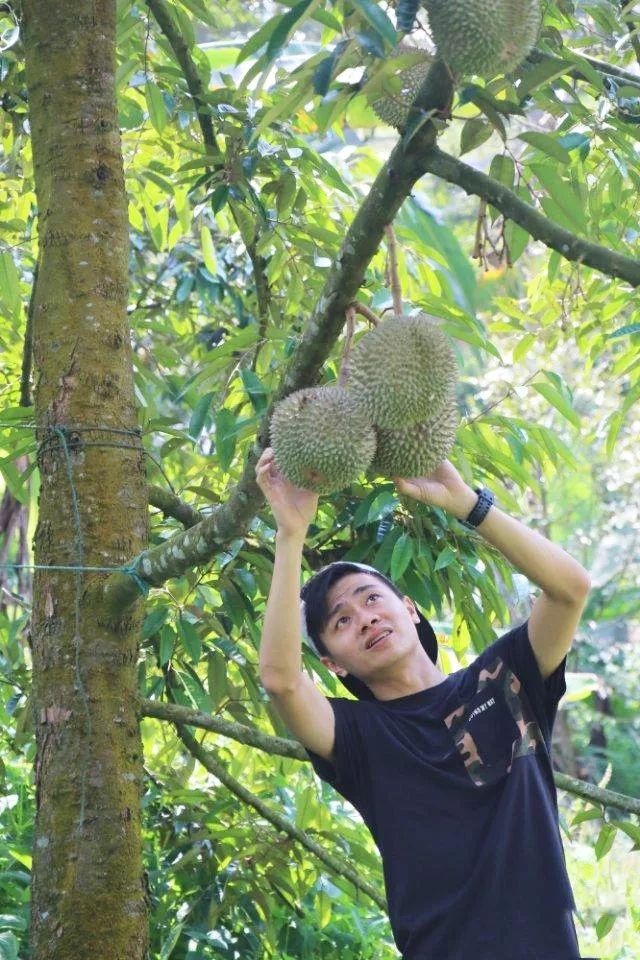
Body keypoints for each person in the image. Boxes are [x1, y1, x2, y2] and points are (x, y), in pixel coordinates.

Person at [255, 446, 593, 960]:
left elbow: (570, 589)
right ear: (333, 665)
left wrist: (466, 503)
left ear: (409, 609)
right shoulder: (356, 736)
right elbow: (280, 681)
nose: (365, 618)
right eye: (341, 621)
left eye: (371, 598)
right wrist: (290, 532)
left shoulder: (502, 679)